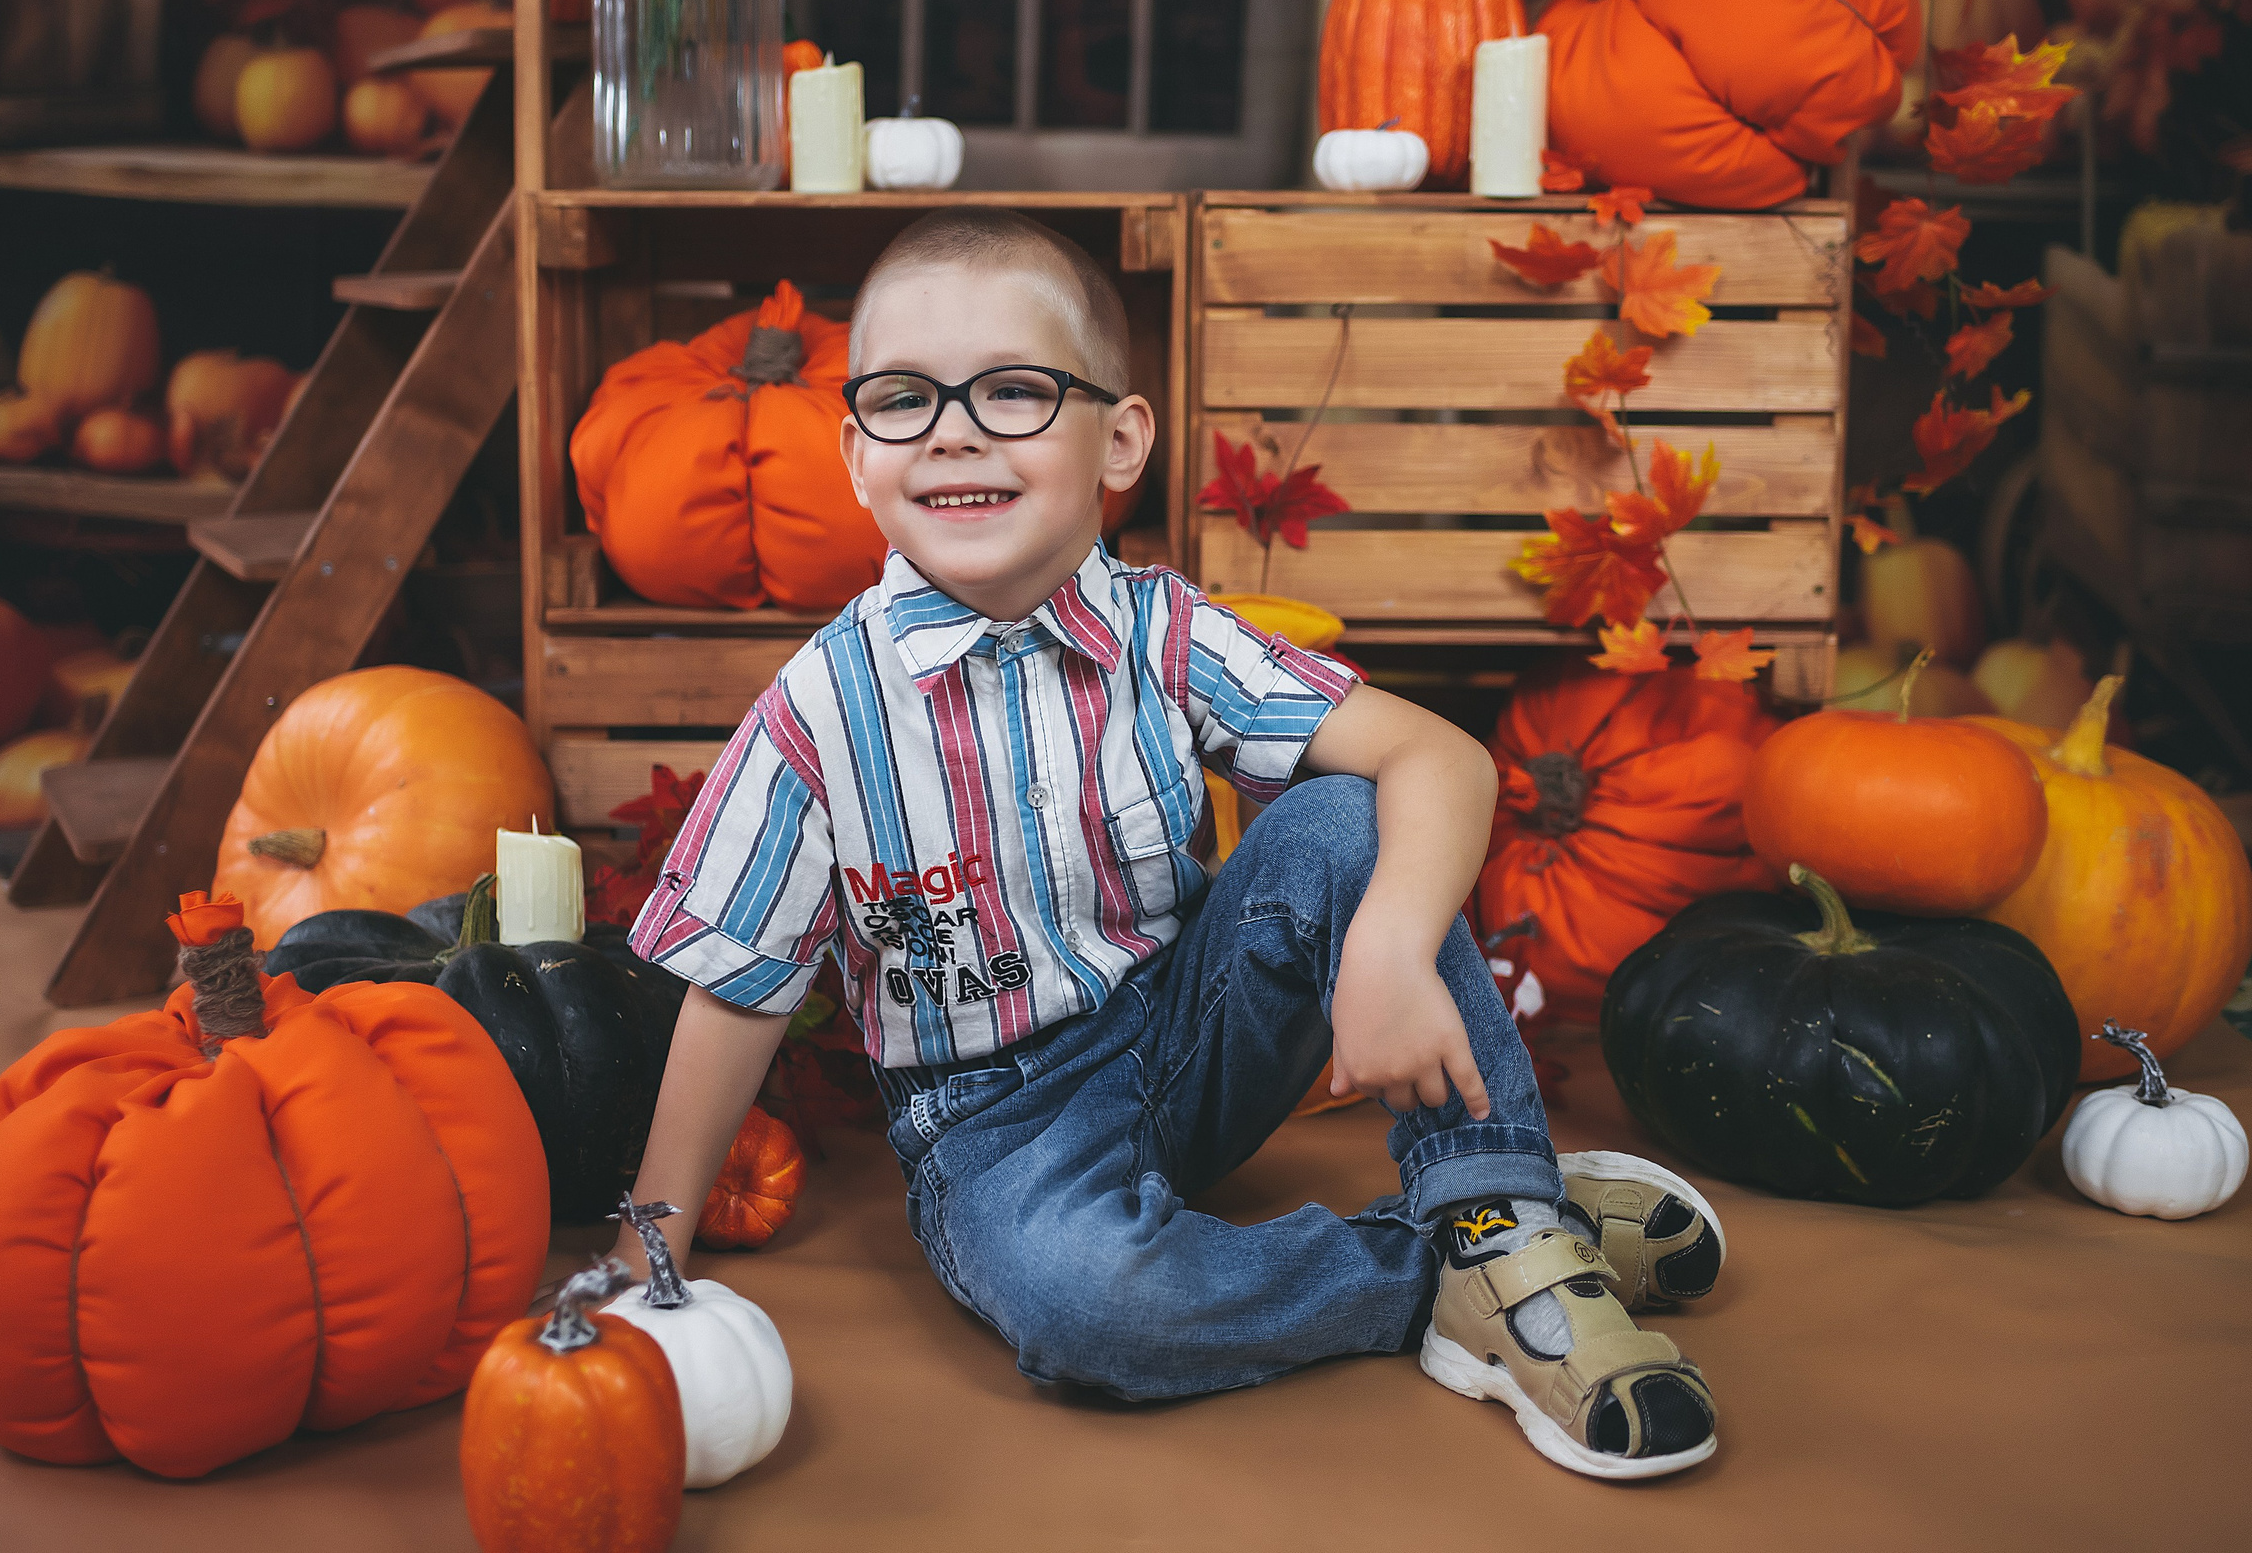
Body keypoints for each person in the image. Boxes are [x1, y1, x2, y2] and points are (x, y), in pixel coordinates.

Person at [610, 207, 1726, 1480]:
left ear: (1119, 439)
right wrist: (652, 1239)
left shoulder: (1165, 631)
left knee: (1344, 813)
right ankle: (1463, 1261)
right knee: (1089, 1309)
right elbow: (733, 981)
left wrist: (1391, 946)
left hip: (1193, 1036)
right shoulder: (818, 712)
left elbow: (1442, 758)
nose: (956, 429)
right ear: (857, 452)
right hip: (992, 1130)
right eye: (907, 399)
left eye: (1016, 390)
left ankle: (1493, 1201)